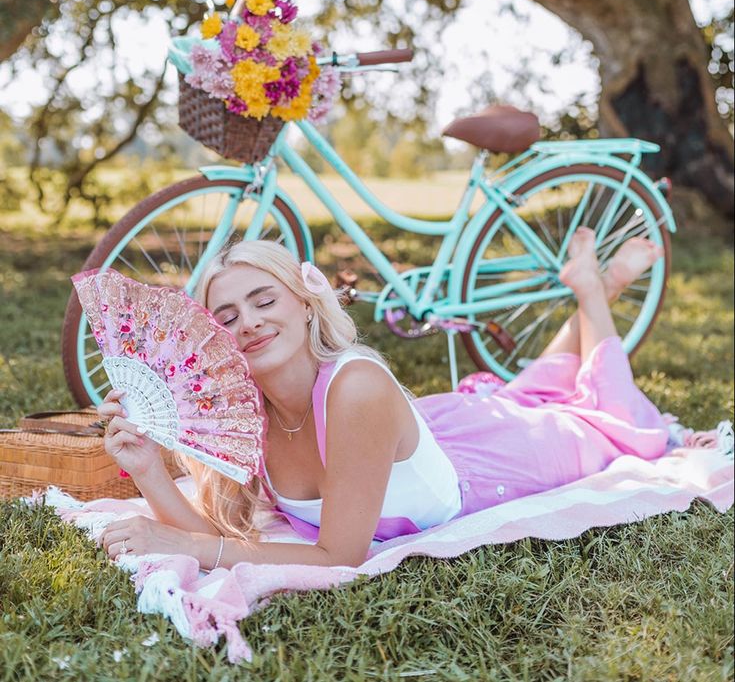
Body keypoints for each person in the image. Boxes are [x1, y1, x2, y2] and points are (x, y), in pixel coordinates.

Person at [99, 229, 674, 570]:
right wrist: (148, 469)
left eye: (264, 300)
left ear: (304, 302)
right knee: (534, 389)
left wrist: (186, 547)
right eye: (226, 317)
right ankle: (595, 289)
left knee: (595, 418)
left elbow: (339, 557)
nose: (247, 322)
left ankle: (595, 290)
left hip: (503, 463)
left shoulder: (356, 388)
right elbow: (220, 532)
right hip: (443, 432)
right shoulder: (249, 413)